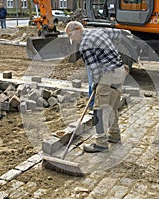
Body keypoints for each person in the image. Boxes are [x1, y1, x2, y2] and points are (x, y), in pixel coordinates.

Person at [65, 21, 129, 153]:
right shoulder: (97, 31)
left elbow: (94, 70)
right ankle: (114, 135)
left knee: (99, 109)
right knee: (112, 105)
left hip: (107, 75)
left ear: (78, 29)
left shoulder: (85, 45)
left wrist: (95, 85)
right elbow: (118, 33)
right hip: (119, 71)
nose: (72, 40)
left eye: (71, 35)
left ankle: (101, 143)